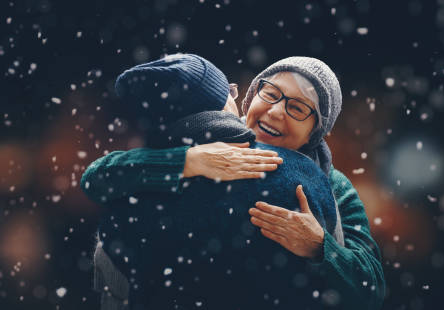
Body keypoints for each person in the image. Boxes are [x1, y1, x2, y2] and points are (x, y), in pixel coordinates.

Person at [83, 55, 384, 309]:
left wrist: (321, 247)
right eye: (270, 93)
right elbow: (97, 178)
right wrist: (187, 161)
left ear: (315, 132)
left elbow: (372, 289)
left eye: (297, 108)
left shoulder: (333, 186)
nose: (276, 111)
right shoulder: (197, 140)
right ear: (251, 97)